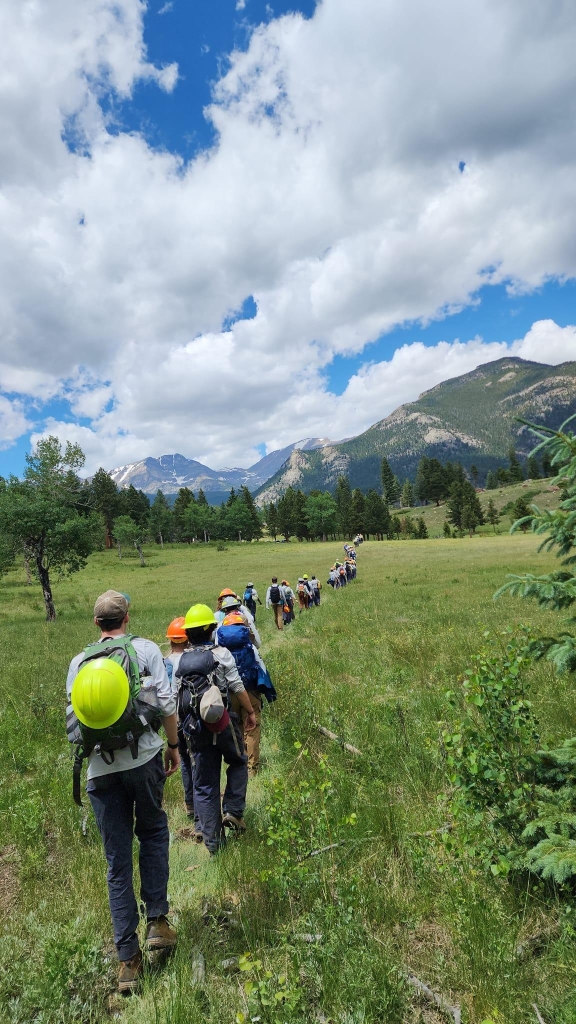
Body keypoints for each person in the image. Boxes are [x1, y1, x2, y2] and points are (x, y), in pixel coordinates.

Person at [66, 590, 180, 994]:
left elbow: (74, 721)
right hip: (144, 759)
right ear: (126, 618)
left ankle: (128, 962)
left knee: (116, 862)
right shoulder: (146, 650)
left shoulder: (78, 662)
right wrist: (173, 745)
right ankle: (157, 923)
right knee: (151, 834)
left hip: (99, 771)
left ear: (97, 624)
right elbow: (166, 703)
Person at [176, 604, 257, 853]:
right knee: (239, 761)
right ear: (212, 629)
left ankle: (213, 843)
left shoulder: (181, 660)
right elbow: (236, 685)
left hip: (194, 728)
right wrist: (250, 711)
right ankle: (232, 809)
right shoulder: (222, 654)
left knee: (205, 784)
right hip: (223, 722)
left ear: (188, 634)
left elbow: (175, 698)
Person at [217, 610, 275, 775]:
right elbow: (262, 670)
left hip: (230, 694)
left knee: (237, 728)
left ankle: (239, 765)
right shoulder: (251, 649)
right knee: (253, 727)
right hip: (250, 691)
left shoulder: (220, 652)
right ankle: (252, 769)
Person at [164, 618, 201, 839]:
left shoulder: (164, 662)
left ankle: (189, 804)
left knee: (184, 761)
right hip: (190, 717)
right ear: (187, 640)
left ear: (171, 641)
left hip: (172, 720)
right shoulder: (191, 660)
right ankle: (199, 805)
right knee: (196, 759)